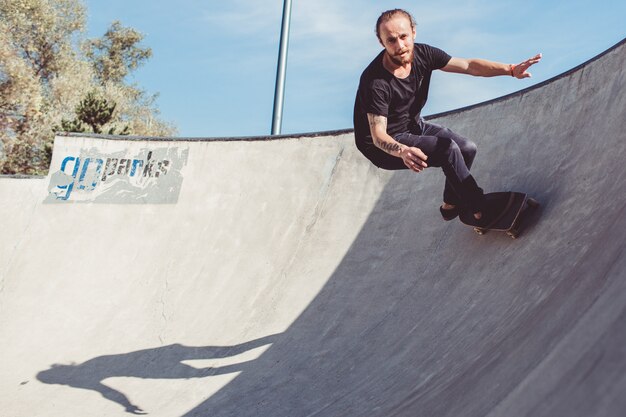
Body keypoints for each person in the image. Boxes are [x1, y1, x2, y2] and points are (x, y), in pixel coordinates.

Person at [353, 8, 541, 222]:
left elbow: (469, 66)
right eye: (391, 41)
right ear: (382, 43)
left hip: (412, 125)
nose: (400, 46)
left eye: (403, 37)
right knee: (447, 149)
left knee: (467, 148)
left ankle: (450, 205)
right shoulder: (375, 81)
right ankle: (478, 209)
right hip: (383, 144)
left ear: (413, 32)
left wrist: (509, 69)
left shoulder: (424, 54)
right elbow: (378, 135)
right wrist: (403, 151)